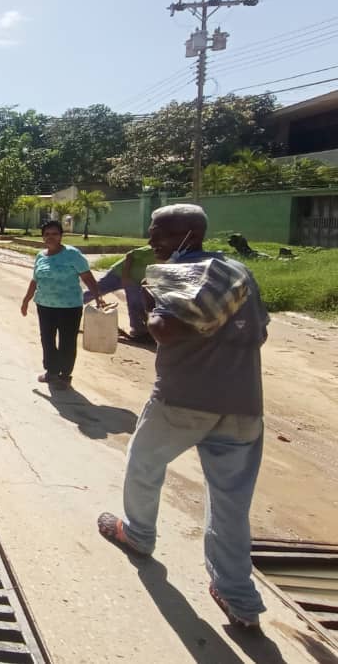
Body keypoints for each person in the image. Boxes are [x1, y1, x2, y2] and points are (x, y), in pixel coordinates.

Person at [98, 204, 269, 630]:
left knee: (143, 464)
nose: (153, 241)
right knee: (230, 502)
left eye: (162, 235)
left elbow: (163, 330)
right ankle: (239, 598)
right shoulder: (237, 272)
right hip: (243, 405)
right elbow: (260, 330)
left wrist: (157, 305)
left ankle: (137, 533)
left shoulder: (180, 274)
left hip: (183, 400)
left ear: (191, 233)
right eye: (153, 232)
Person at [20, 220, 105, 389]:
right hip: (45, 305)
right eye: (47, 234)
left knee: (67, 341)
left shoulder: (73, 254)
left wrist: (98, 297)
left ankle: (65, 376)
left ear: (61, 236)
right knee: (47, 339)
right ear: (43, 237)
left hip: (69, 307)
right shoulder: (40, 256)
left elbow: (87, 277)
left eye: (55, 234)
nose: (51, 237)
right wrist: (26, 300)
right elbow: (35, 280)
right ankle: (51, 372)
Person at [84, 244, 156, 341]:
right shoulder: (152, 250)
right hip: (118, 274)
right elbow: (130, 255)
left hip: (136, 281)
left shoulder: (173, 258)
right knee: (95, 291)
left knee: (136, 303)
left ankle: (138, 330)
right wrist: (125, 276)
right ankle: (66, 306)